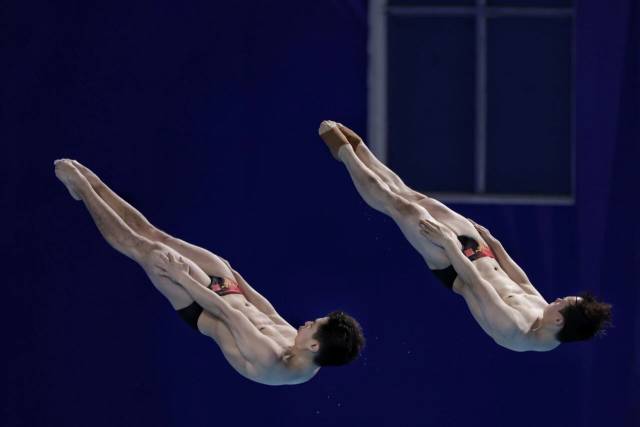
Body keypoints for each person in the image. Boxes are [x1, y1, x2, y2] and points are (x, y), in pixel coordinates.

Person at [54, 159, 364, 385]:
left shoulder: (270, 359)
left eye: (314, 325)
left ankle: (83, 190)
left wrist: (181, 276)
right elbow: (266, 310)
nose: (307, 321)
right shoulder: (308, 349)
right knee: (159, 235)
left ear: (314, 346)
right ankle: (96, 186)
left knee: (147, 250)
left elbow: (227, 314)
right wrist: (233, 274)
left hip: (202, 307)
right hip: (229, 293)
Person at [318, 121, 611, 352]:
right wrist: (493, 242)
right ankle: (362, 150)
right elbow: (522, 282)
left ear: (558, 320)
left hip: (453, 265)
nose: (556, 299)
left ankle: (345, 154)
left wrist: (448, 243)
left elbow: (475, 283)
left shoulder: (515, 331)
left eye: (561, 302)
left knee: (400, 206)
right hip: (481, 254)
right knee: (413, 196)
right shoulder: (550, 317)